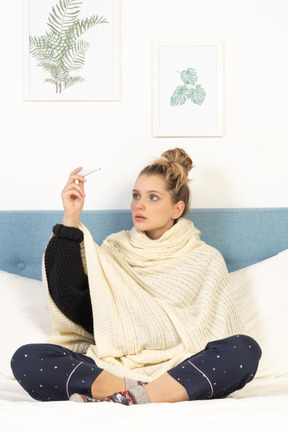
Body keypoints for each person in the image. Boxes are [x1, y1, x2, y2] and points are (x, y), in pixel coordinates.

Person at [11, 148, 261, 405]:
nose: (139, 204)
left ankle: (128, 396)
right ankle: (138, 393)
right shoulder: (114, 249)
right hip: (113, 366)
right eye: (136, 195)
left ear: (177, 209)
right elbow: (73, 301)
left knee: (244, 350)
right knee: (27, 358)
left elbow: (219, 335)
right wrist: (71, 218)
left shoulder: (205, 259)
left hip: (180, 368)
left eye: (153, 197)